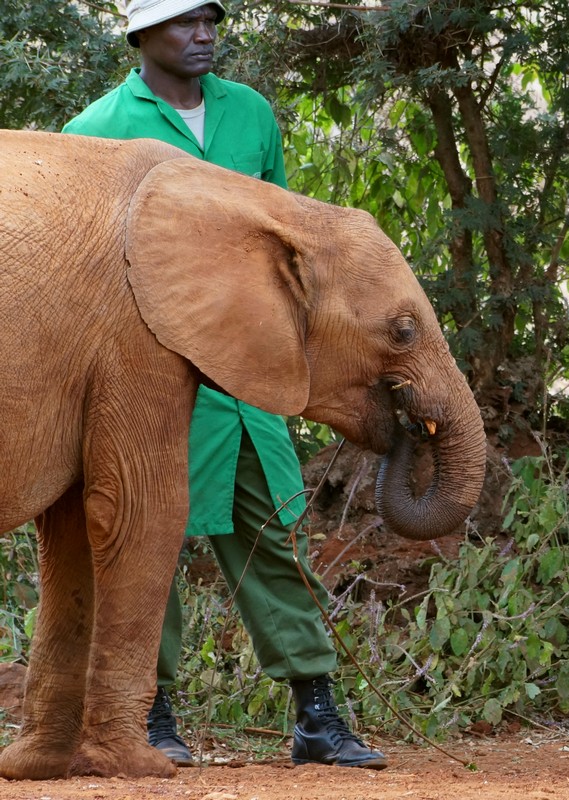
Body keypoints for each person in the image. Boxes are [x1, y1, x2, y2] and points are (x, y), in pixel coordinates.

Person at [62, 0, 388, 771]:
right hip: (144, 387)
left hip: (245, 378)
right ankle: (148, 719)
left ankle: (317, 718)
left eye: (210, 18)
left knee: (274, 540)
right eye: (183, 22)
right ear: (141, 35)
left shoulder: (251, 115)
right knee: (142, 543)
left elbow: (290, 245)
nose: (203, 34)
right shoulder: (94, 131)